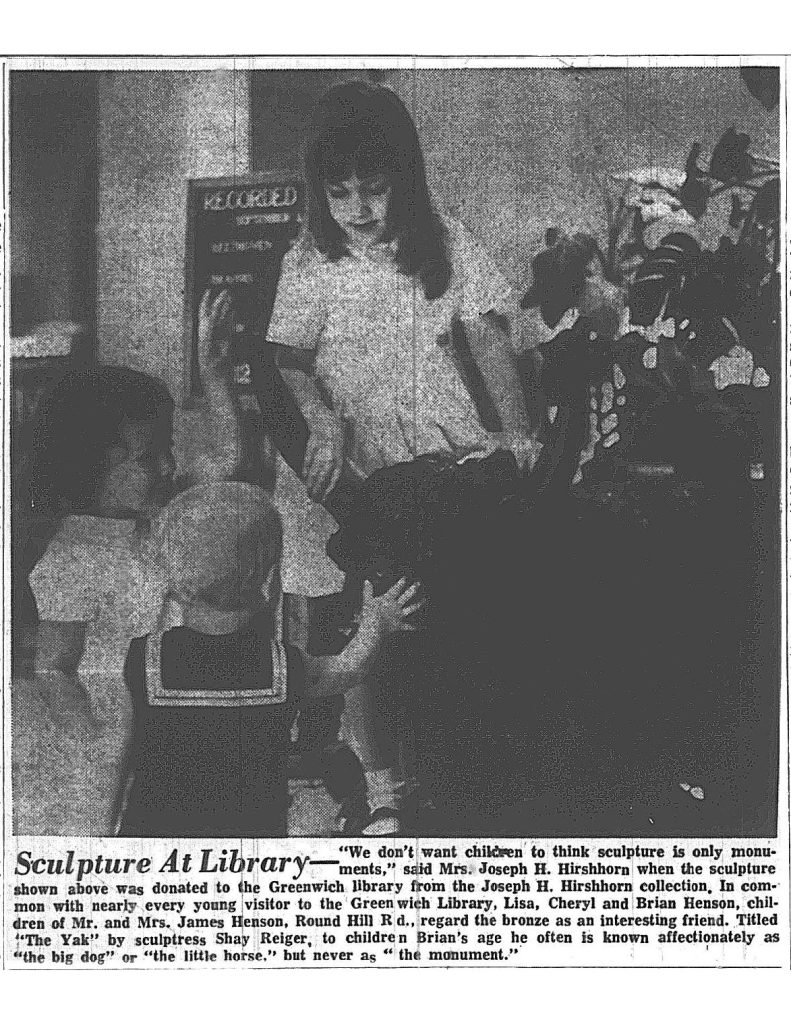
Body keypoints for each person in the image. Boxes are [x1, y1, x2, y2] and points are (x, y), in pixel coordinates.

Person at [264, 81, 541, 831]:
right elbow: (285, 359)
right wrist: (321, 420)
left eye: (376, 189)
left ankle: (447, 766)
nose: (358, 208)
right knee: (370, 620)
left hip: (431, 449)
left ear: (406, 181)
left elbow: (487, 335)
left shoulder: (443, 240)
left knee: (437, 608)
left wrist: (516, 431)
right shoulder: (310, 259)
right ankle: (381, 784)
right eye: (340, 190)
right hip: (348, 467)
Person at [14, 291, 239, 835]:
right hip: (117, 721)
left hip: (173, 705)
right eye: (146, 457)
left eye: (167, 451)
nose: (167, 465)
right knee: (109, 828)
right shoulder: (70, 557)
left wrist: (213, 375)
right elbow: (53, 666)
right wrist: (94, 738)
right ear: (88, 463)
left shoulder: (161, 508)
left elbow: (229, 458)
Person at [120, 482, 422, 837]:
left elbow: (117, 755)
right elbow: (348, 669)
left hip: (156, 839)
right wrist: (377, 623)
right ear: (269, 583)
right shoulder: (282, 665)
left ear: (172, 581)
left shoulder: (145, 660)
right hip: (253, 836)